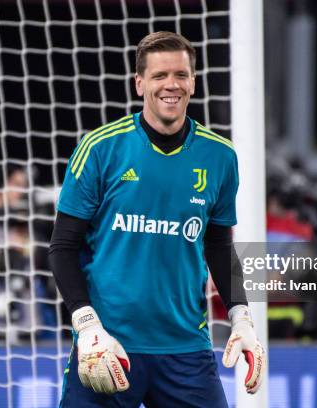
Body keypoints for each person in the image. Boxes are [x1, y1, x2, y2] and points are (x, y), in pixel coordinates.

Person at [50, 31, 265, 407]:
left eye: (181, 75)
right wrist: (87, 327)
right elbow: (62, 247)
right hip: (109, 345)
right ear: (139, 84)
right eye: (159, 76)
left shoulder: (220, 157)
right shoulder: (100, 148)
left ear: (193, 83)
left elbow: (218, 245)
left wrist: (242, 317)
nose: (171, 85)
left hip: (186, 350)